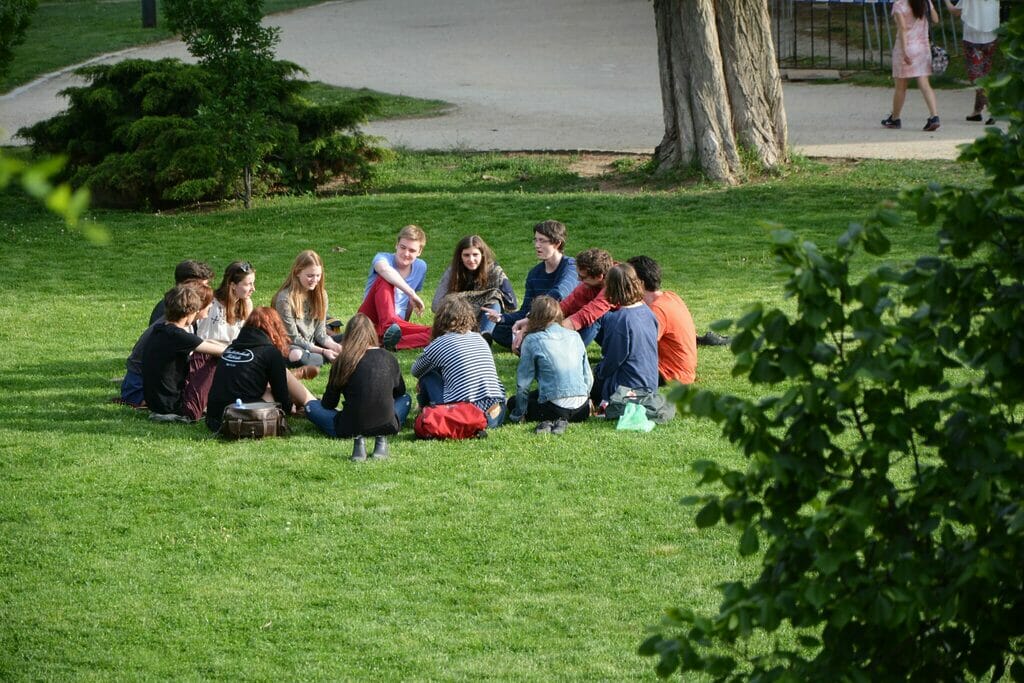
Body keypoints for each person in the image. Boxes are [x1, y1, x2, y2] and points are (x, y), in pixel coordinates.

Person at [304, 314, 412, 461]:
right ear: (372, 334)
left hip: (349, 425)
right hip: (388, 423)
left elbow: (328, 403)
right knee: (406, 399)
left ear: (348, 335)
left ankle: (359, 440)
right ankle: (381, 437)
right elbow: (400, 392)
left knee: (311, 406)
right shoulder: (388, 357)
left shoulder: (343, 361)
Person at [205, 307, 317, 433]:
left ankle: (306, 396)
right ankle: (313, 404)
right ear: (275, 328)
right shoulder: (269, 352)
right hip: (242, 417)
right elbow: (280, 393)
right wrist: (289, 407)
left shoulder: (230, 348)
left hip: (214, 419)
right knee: (270, 389)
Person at [412, 296, 507, 429]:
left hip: (463, 415)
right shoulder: (480, 339)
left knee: (428, 375)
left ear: (441, 319)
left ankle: (427, 410)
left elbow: (416, 370)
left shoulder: (441, 343)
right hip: (496, 414)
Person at [487, 220, 578, 351]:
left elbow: (559, 292)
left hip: (563, 321)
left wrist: (530, 319)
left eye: (542, 241)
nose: (537, 245)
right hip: (537, 322)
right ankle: (535, 341)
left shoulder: (571, 266)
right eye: (535, 240)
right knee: (498, 329)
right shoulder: (534, 273)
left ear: (557, 243)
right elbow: (525, 310)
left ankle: (532, 341)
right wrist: (501, 317)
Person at [507, 296, 593, 435]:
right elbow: (588, 377)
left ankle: (553, 418)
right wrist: (586, 399)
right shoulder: (575, 336)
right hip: (582, 410)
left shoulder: (531, 340)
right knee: (534, 396)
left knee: (512, 401)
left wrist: (518, 414)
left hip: (555, 408)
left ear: (534, 317)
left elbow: (523, 384)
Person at [142, 283, 226, 421]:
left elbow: (202, 342)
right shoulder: (178, 336)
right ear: (190, 312)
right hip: (176, 407)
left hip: (156, 403)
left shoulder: (160, 330)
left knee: (203, 353)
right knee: (209, 356)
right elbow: (221, 352)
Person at [186, 261, 259, 418]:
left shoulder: (247, 304)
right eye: (248, 284)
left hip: (234, 356)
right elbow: (201, 341)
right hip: (209, 358)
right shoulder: (211, 305)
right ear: (233, 285)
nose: (253, 289)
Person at [592, 264, 660, 405]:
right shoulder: (648, 312)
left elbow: (613, 360)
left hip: (627, 388)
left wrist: (597, 372)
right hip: (650, 384)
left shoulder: (619, 320)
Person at [357, 224, 432, 350]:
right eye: (403, 247)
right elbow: (384, 269)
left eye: (412, 250)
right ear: (396, 245)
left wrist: (405, 324)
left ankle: (389, 342)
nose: (406, 253)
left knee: (436, 333)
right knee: (385, 278)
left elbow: (409, 304)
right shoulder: (382, 258)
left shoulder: (421, 267)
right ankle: (387, 328)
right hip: (369, 320)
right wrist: (411, 293)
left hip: (397, 324)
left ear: (419, 252)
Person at [431, 234, 517, 341]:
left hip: (489, 317)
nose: (471, 259)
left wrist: (501, 318)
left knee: (494, 297)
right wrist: (464, 304)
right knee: (452, 301)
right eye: (466, 255)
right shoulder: (453, 271)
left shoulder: (495, 271)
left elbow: (512, 304)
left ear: (483, 255)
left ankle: (484, 337)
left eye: (475, 254)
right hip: (460, 317)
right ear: (460, 256)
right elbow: (436, 305)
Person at [628, 255, 697, 385]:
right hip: (681, 370)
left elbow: (639, 350)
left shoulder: (656, 310)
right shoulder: (671, 297)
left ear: (640, 283)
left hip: (669, 373)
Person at [273, 250, 343, 369]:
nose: (315, 280)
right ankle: (331, 357)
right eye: (310, 276)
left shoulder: (321, 295)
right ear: (297, 272)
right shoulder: (284, 299)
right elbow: (293, 338)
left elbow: (320, 333)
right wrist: (324, 352)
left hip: (314, 342)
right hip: (292, 346)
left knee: (353, 336)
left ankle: (334, 354)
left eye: (318, 275)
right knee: (297, 355)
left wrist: (335, 346)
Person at [882, 0, 941, 132]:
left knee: (901, 86)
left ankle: (895, 118)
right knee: (925, 84)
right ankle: (934, 116)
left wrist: (904, 50)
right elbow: (936, 19)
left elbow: (902, 28)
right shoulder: (925, 2)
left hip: (906, 46)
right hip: (923, 47)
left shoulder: (899, 5)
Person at [944, 0, 1000, 124]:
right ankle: (977, 111)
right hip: (991, 36)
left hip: (972, 38)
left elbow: (955, 12)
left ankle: (993, 110)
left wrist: (946, 2)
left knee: (976, 76)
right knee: (984, 74)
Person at [149, 259, 214, 325]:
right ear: (188, 284)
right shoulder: (169, 310)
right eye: (203, 285)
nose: (207, 288)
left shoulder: (185, 305)